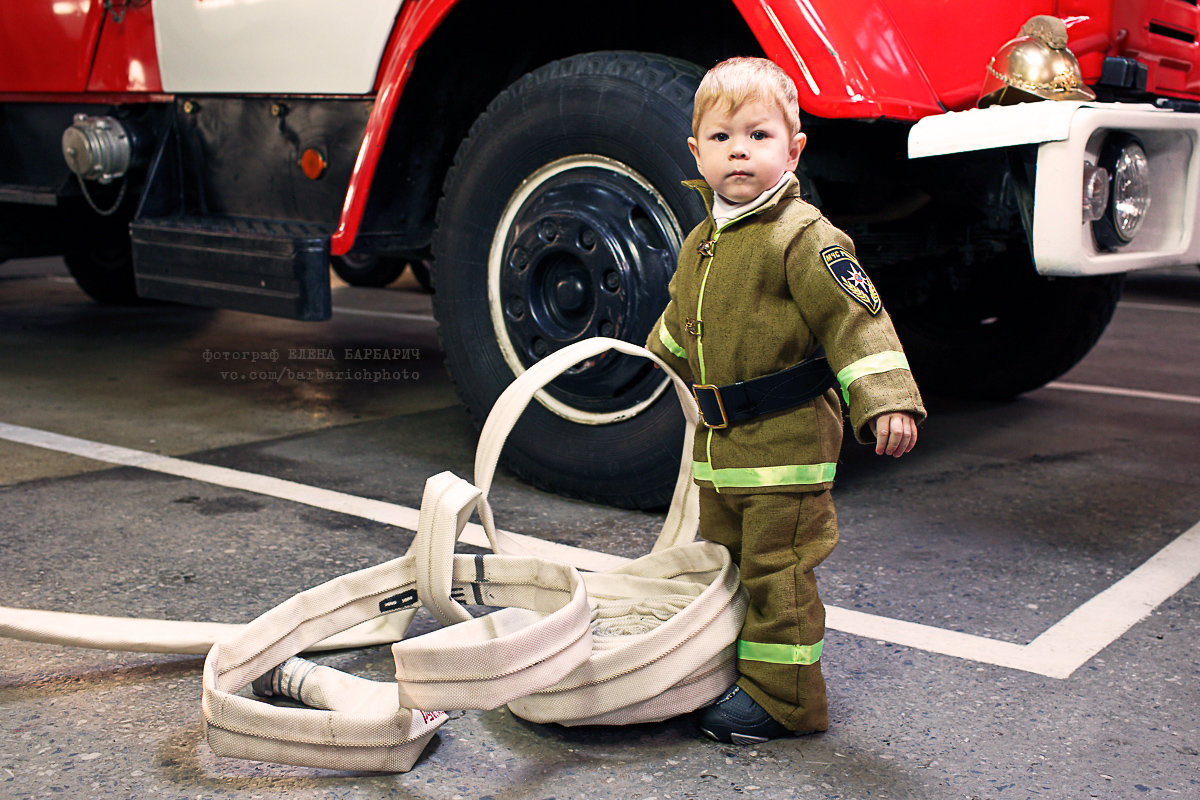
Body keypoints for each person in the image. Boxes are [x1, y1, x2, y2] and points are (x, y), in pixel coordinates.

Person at [645, 56, 926, 745]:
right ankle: (728, 675)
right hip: (725, 453)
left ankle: (784, 699)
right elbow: (681, 325)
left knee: (779, 574)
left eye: (758, 135)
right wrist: (651, 359)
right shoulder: (701, 243)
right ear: (696, 153)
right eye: (720, 138)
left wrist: (885, 398)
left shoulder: (803, 235)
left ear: (793, 148)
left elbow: (855, 320)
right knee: (728, 569)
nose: (738, 150)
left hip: (787, 447)